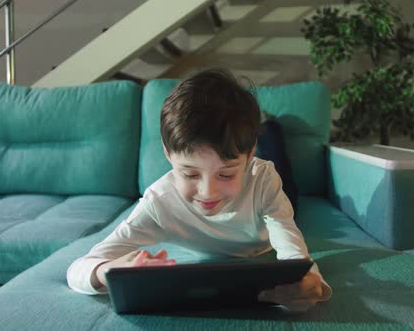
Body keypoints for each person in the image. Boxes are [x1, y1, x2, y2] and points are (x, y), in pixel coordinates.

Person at [67, 69, 332, 312]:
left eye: (225, 173)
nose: (208, 192)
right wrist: (108, 270)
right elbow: (79, 269)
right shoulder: (160, 203)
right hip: (249, 185)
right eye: (190, 173)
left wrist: (310, 281)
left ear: (249, 157)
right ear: (168, 154)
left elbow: (293, 250)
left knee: (286, 184)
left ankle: (269, 129)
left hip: (265, 200)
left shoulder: (261, 179)